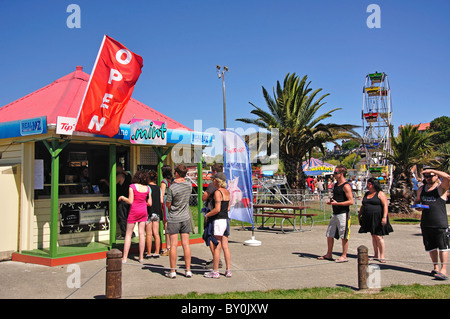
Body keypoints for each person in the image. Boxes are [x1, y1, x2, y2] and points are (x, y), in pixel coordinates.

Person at [413, 168, 450, 280]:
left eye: (431, 176)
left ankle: (444, 269)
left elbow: (448, 177)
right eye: (426, 176)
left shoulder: (441, 188)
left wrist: (432, 170)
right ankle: (436, 267)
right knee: (431, 247)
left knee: (443, 247)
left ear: (437, 176)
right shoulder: (421, 189)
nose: (428, 178)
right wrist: (417, 206)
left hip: (440, 223)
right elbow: (417, 201)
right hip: (426, 222)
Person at [318, 165, 354, 263]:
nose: (334, 174)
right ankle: (329, 254)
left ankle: (344, 255)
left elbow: (351, 201)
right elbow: (337, 198)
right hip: (335, 213)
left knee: (344, 235)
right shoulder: (336, 185)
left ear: (341, 174)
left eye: (336, 173)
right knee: (329, 234)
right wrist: (332, 201)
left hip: (343, 213)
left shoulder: (346, 186)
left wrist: (338, 203)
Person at [118, 170, 152, 263]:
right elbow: (149, 203)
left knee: (128, 234)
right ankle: (141, 257)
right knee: (142, 234)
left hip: (134, 211)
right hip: (143, 211)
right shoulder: (147, 188)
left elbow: (130, 201)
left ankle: (124, 257)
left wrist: (122, 197)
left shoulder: (132, 187)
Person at [165, 164, 193, 278]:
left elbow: (168, 204)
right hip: (185, 217)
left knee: (173, 245)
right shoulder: (189, 185)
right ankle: (188, 270)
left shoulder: (172, 188)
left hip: (174, 218)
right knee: (186, 245)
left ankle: (172, 271)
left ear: (176, 173)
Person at [358, 178, 393, 263]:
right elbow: (363, 205)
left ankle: (382, 255)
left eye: (369, 183)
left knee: (378, 236)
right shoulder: (366, 194)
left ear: (373, 184)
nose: (367, 185)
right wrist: (360, 215)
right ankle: (375, 254)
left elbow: (385, 205)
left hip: (378, 217)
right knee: (373, 236)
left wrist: (384, 217)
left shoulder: (380, 193)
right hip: (368, 217)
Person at [203, 172, 232, 279]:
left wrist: (207, 214)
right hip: (225, 219)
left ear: (217, 181)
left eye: (213, 180)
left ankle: (215, 272)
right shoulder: (227, 192)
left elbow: (217, 209)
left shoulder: (217, 192)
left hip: (219, 220)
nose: (212, 181)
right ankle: (228, 270)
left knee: (217, 247)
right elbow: (228, 207)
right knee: (225, 246)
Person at [201, 163, 227, 269]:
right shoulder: (225, 185)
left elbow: (204, 197)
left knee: (210, 236)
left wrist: (207, 214)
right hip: (223, 215)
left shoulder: (213, 184)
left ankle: (216, 260)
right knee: (221, 241)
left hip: (212, 213)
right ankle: (217, 260)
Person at [100, 163, 132, 239]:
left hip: (121, 199)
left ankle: (124, 234)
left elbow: (112, 185)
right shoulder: (128, 175)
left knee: (121, 217)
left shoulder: (120, 176)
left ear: (118, 167)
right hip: (128, 198)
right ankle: (130, 232)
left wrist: (105, 181)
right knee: (127, 217)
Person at [146, 170, 162, 258]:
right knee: (156, 233)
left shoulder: (148, 188)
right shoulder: (159, 188)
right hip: (157, 212)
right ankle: (157, 252)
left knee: (148, 234)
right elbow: (161, 200)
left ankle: (148, 253)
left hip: (149, 212)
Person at [160, 165, 173, 256]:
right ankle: (172, 246)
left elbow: (162, 196)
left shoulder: (164, 181)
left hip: (166, 203)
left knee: (166, 225)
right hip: (173, 203)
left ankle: (168, 247)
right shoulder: (173, 181)